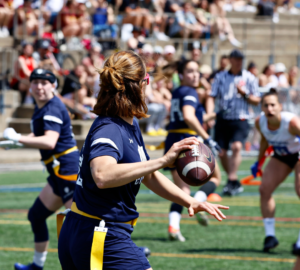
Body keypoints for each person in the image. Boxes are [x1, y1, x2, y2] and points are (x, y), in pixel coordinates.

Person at [58, 50, 229, 270]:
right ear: (139, 85)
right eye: (147, 80)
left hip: (91, 231)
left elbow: (148, 174)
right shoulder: (110, 128)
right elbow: (102, 175)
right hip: (101, 235)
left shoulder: (129, 123)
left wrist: (190, 201)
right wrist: (163, 160)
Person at [3, 69, 79, 270]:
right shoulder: (45, 106)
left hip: (68, 172)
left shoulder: (51, 107)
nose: (39, 86)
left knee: (79, 225)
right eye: (35, 82)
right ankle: (37, 266)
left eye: (44, 82)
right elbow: (41, 134)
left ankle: (132, 254)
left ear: (53, 85)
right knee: (36, 215)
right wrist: (21, 141)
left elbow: (49, 140)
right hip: (58, 172)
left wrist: (18, 138)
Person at [164, 60, 222, 241]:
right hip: (188, 140)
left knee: (181, 190)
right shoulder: (190, 91)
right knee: (216, 177)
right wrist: (208, 137)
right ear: (181, 75)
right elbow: (189, 117)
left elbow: (194, 116)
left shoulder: (178, 91)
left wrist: (216, 114)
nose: (195, 75)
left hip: (173, 139)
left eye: (197, 71)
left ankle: (174, 226)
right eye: (190, 71)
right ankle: (200, 200)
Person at [206, 49, 261, 196]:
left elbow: (257, 100)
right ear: (230, 60)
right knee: (221, 152)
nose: (239, 62)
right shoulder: (220, 77)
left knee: (237, 146)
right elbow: (212, 96)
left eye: (241, 59)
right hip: (223, 118)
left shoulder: (249, 77)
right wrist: (210, 114)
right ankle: (232, 181)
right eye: (236, 59)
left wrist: (245, 94)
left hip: (241, 117)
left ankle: (231, 178)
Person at [251, 89, 300, 252]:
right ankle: (270, 236)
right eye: (266, 105)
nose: (270, 109)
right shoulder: (260, 122)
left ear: (280, 106)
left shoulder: (291, 123)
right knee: (264, 189)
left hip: (298, 154)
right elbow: (265, 141)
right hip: (281, 155)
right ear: (262, 108)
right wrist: (258, 163)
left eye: (273, 105)